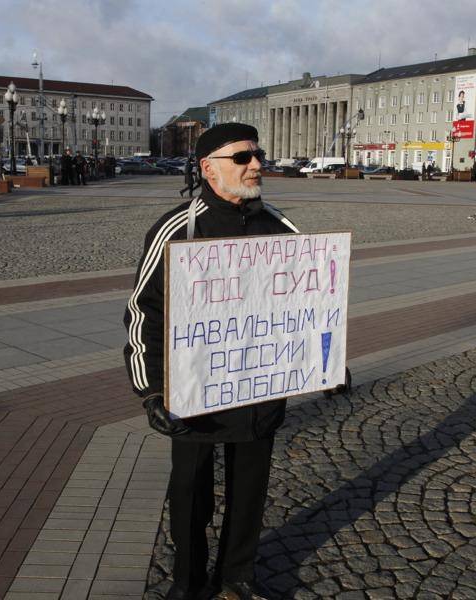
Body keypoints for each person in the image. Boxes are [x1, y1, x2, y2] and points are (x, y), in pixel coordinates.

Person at [124, 123, 298, 600]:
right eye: (242, 158)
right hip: (194, 391)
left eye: (257, 154)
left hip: (260, 387)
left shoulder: (279, 225)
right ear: (208, 169)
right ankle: (188, 581)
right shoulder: (176, 229)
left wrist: (326, 360)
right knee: (190, 496)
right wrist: (152, 392)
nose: (257, 165)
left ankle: (237, 578)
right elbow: (144, 312)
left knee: (249, 495)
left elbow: (308, 306)